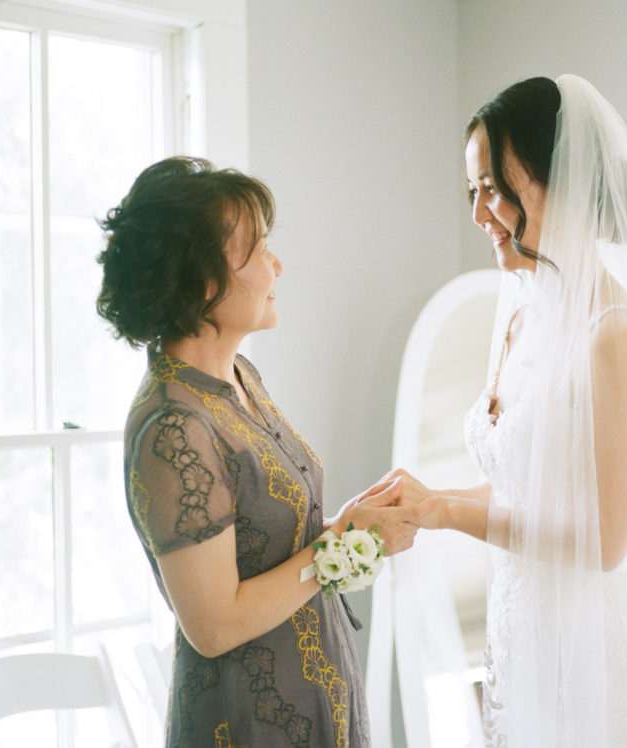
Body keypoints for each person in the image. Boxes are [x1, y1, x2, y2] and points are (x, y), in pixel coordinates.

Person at [387, 76, 627, 746]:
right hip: (521, 646)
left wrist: (447, 513)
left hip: (594, 673)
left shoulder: (613, 334)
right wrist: (432, 495)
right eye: (471, 192)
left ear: (550, 177)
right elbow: (526, 484)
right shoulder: (524, 317)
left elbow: (603, 540)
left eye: (490, 189)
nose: (478, 213)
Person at [96, 156, 427, 748]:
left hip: (320, 695)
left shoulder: (239, 377)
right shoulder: (172, 425)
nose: (279, 265)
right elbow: (215, 624)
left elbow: (261, 550)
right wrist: (344, 542)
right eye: (260, 250)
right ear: (201, 280)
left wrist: (354, 528)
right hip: (248, 723)